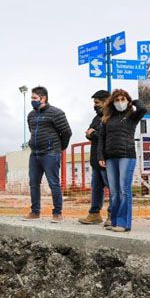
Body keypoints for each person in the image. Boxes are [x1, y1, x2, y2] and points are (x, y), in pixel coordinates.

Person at [97, 89, 147, 232]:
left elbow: (143, 109)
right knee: (114, 192)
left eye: (122, 99)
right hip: (110, 158)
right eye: (117, 100)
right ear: (112, 102)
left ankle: (123, 223)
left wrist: (133, 102)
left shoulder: (131, 116)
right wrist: (100, 156)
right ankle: (114, 221)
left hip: (126, 156)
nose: (120, 102)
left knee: (124, 190)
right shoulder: (107, 118)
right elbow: (101, 138)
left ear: (127, 101)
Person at [23, 86, 72, 222]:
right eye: (31, 98)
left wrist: (60, 147)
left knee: (53, 183)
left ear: (43, 98)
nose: (32, 101)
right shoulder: (31, 115)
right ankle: (35, 212)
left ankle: (57, 213)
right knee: (33, 183)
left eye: (34, 98)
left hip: (50, 154)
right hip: (35, 154)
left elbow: (67, 132)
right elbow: (32, 131)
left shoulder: (56, 113)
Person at [78, 90, 111, 226]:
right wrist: (90, 134)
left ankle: (112, 215)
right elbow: (90, 131)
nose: (95, 105)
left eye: (97, 102)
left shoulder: (112, 116)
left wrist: (94, 134)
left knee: (112, 189)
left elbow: (109, 138)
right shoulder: (96, 118)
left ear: (106, 102)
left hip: (106, 159)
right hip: (95, 160)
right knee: (96, 188)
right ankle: (94, 214)